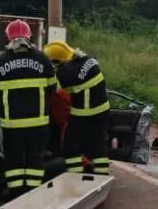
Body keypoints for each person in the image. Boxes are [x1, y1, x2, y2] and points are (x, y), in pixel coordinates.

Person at [0, 20, 56, 194]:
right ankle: (33, 195)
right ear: (30, 37)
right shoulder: (42, 59)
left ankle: (15, 196)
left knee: (13, 162)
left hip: (12, 127)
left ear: (8, 37)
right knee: (36, 160)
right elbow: (52, 89)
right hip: (38, 125)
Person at [43, 40, 111, 175]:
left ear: (57, 61)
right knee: (99, 146)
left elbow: (50, 90)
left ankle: (75, 176)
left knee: (71, 146)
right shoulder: (90, 60)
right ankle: (101, 176)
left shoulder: (65, 73)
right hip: (102, 110)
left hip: (84, 113)